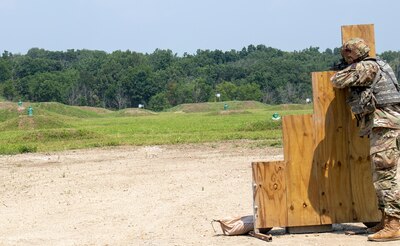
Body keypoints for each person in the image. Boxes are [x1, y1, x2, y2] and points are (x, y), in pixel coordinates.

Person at [331, 38, 400, 242]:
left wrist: (346, 68)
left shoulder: (366, 66)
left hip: (385, 125)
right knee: (380, 174)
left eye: (348, 55)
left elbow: (337, 80)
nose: (346, 57)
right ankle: (386, 220)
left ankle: (394, 223)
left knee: (386, 175)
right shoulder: (379, 64)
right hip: (386, 124)